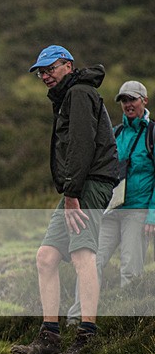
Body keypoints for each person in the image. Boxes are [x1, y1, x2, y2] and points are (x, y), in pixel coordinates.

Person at [11, 45, 118, 354]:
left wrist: (72, 194)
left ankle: (87, 337)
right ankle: (50, 337)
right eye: (40, 72)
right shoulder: (67, 96)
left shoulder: (80, 93)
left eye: (50, 69)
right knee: (45, 257)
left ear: (68, 66)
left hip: (89, 184)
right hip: (77, 186)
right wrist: (70, 191)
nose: (44, 75)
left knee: (83, 254)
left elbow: (83, 144)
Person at [67, 81, 155, 323]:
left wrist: (152, 214)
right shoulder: (115, 133)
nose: (128, 104)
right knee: (90, 262)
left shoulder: (152, 134)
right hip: (110, 211)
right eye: (124, 100)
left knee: (130, 268)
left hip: (139, 211)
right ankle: (77, 320)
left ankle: (130, 324)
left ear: (144, 101)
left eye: (132, 99)